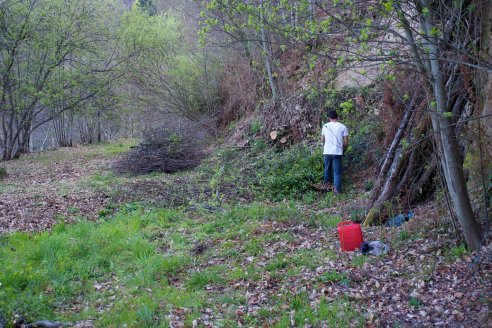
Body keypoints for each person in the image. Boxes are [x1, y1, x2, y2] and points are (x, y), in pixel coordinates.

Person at [321, 110, 349, 193]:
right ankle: (337, 192)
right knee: (337, 173)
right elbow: (346, 143)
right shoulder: (343, 127)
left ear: (329, 118)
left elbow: (322, 139)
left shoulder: (325, 126)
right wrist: (344, 149)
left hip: (327, 152)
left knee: (327, 170)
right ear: (337, 117)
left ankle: (326, 190)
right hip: (337, 152)